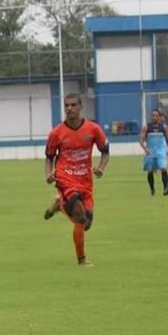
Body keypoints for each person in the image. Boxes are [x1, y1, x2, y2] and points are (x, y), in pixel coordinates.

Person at [43, 93, 110, 266]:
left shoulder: (93, 129)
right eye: (67, 106)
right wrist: (49, 174)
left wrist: (101, 168)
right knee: (80, 217)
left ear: (80, 107)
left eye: (73, 105)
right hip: (65, 178)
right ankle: (82, 260)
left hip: (85, 180)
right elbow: (49, 157)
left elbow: (105, 151)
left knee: (86, 224)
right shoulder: (56, 133)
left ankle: (59, 206)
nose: (69, 109)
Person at [138, 109, 168, 196]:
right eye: (152, 115)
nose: (154, 117)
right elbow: (141, 139)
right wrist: (145, 149)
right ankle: (152, 189)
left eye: (155, 115)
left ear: (159, 117)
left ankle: (165, 189)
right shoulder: (146, 127)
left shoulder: (163, 127)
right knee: (150, 171)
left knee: (163, 168)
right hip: (150, 152)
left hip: (160, 152)